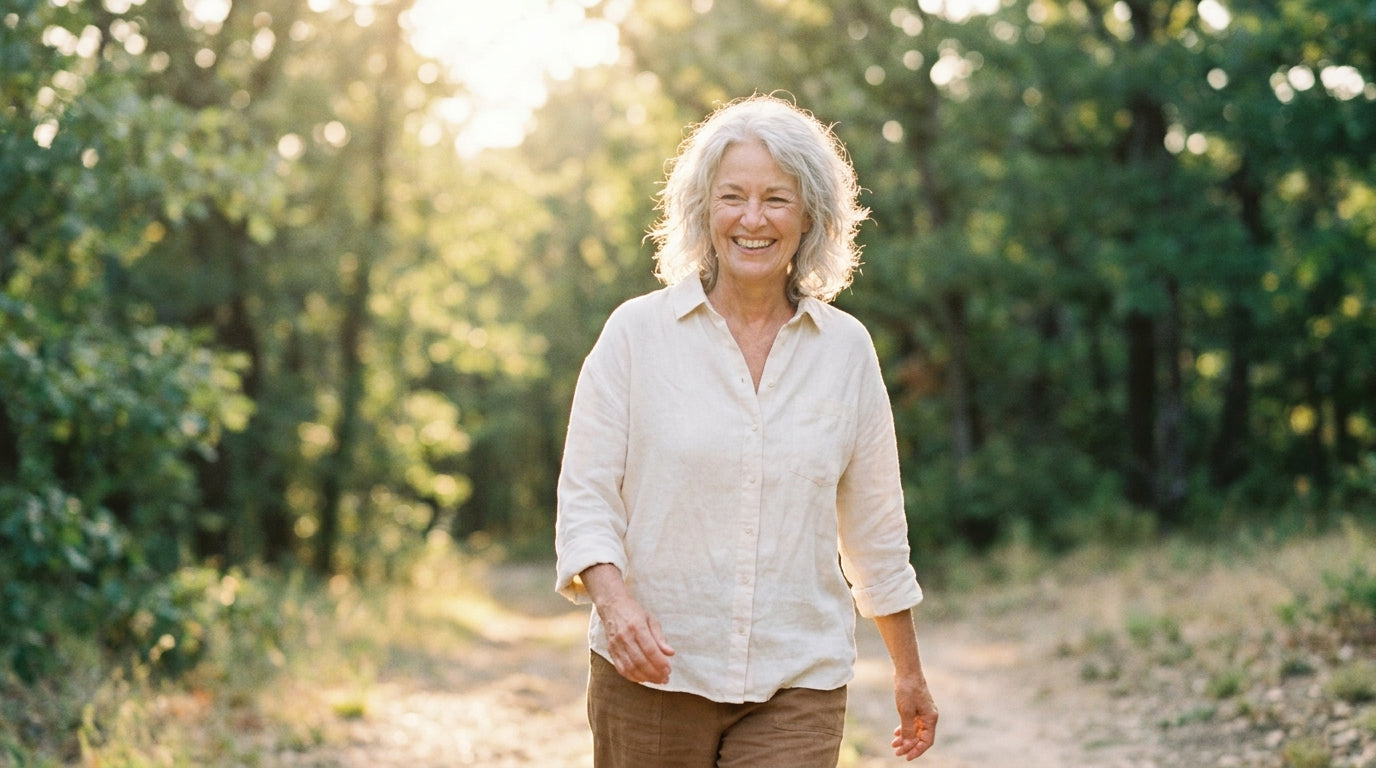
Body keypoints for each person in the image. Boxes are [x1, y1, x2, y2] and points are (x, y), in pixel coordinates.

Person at [554, 94, 938, 767]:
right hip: (653, 674)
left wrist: (908, 670)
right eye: (733, 196)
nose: (752, 219)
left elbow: (876, 527)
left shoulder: (845, 351)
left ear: (812, 214)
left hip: (799, 679)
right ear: (704, 210)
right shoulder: (635, 337)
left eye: (777, 199)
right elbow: (586, 496)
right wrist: (615, 607)